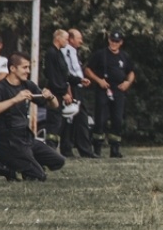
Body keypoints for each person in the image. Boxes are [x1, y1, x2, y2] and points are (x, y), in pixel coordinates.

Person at [0, 54, 65, 182]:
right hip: (7, 142)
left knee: (58, 161)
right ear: (13, 68)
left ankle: (25, 166)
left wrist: (50, 97)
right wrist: (15, 99)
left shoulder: (27, 85)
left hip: (26, 138)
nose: (28, 71)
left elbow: (54, 106)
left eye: (29, 67)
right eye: (25, 67)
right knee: (39, 176)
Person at [86, 31, 135, 157]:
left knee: (117, 120)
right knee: (100, 120)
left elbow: (131, 72)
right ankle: (97, 149)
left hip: (119, 90)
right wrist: (99, 80)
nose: (114, 43)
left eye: (117, 41)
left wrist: (127, 83)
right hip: (103, 89)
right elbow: (87, 69)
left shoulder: (124, 56)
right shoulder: (100, 54)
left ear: (121, 43)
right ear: (109, 40)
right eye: (112, 40)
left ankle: (115, 150)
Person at [62, 28, 95, 158]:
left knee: (80, 118)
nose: (81, 40)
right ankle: (71, 148)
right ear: (70, 39)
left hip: (78, 86)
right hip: (72, 87)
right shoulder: (66, 52)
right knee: (72, 118)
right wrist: (68, 90)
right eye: (78, 38)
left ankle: (82, 149)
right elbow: (67, 72)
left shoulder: (74, 52)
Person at [41, 29, 73, 152]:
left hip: (59, 91)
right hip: (55, 93)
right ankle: (50, 148)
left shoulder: (59, 53)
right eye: (65, 38)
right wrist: (63, 92)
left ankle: (54, 148)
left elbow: (64, 74)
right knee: (53, 121)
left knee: (58, 122)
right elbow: (53, 76)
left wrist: (79, 80)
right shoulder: (51, 53)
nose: (67, 41)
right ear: (58, 38)